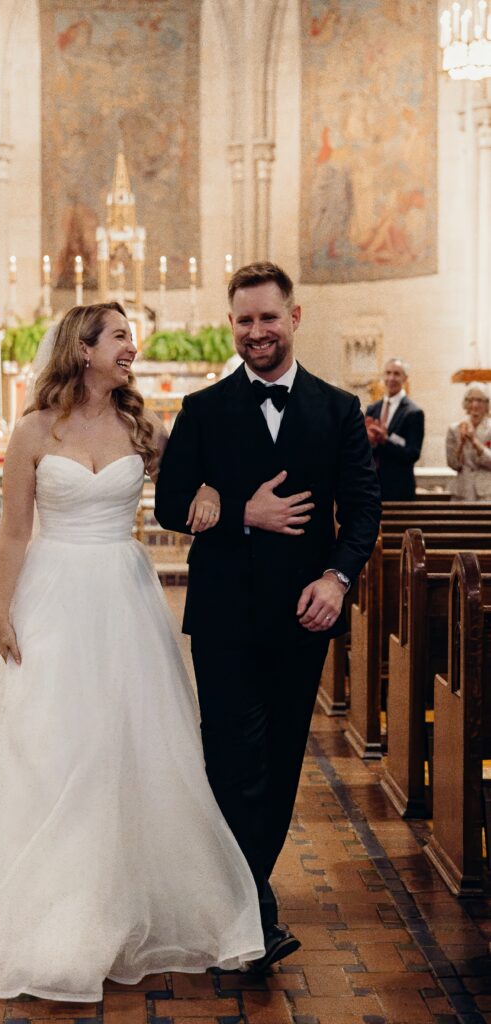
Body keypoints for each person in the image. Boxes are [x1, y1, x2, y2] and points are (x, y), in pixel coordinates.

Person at [0, 302, 265, 1001]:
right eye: (119, 338)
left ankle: (124, 875)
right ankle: (49, 879)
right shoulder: (32, 431)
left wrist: (206, 486)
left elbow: (190, 480)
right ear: (83, 349)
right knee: (52, 739)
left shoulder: (143, 424)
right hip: (53, 596)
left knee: (127, 738)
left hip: (123, 595)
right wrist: (1, 612)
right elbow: (14, 533)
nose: (131, 348)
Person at [154, 262, 381, 972]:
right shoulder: (202, 409)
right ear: (232, 325)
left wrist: (337, 578)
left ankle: (242, 894)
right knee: (229, 759)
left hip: (301, 616)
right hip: (222, 616)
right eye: (243, 320)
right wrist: (237, 514)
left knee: (280, 761)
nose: (255, 332)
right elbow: (167, 505)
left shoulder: (337, 409)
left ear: (294, 317)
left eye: (267, 318)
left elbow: (363, 506)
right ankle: (251, 908)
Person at [364, 358, 424, 500]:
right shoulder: (372, 409)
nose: (391, 378)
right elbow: (364, 451)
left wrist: (386, 440)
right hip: (372, 486)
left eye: (397, 374)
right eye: (388, 373)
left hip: (399, 487)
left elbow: (413, 453)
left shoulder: (414, 412)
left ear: (405, 378)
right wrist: (369, 441)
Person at [445, 381, 491, 500]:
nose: (474, 405)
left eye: (479, 400)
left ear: (487, 404)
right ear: (466, 403)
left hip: (486, 493)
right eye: (471, 400)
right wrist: (460, 443)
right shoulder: (454, 428)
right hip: (462, 491)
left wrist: (475, 441)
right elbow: (453, 464)